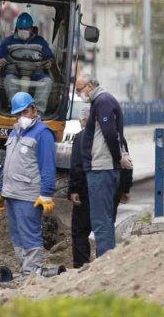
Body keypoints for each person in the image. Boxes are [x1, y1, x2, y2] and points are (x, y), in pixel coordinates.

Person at [0, 92, 57, 276]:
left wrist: (46, 193)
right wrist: (0, 190)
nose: (23, 117)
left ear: (34, 110)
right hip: (11, 194)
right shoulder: (15, 132)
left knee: (30, 235)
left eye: (26, 112)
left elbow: (48, 166)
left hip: (28, 196)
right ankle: (25, 270)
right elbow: (7, 164)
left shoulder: (43, 134)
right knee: (17, 237)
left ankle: (32, 273)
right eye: (18, 114)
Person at [75, 75, 132, 258]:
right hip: (103, 166)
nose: (78, 94)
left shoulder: (103, 101)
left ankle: (105, 262)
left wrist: (117, 158)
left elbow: (110, 133)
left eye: (79, 90)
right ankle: (109, 259)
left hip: (101, 167)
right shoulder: (101, 101)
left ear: (90, 86)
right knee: (105, 219)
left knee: (100, 221)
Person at [0, 12, 56, 112]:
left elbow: (50, 57)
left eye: (26, 29)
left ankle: (38, 111)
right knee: (9, 79)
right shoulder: (8, 41)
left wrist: (50, 62)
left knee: (47, 81)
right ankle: (15, 108)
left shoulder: (40, 41)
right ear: (17, 28)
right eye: (21, 29)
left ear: (32, 29)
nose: (23, 31)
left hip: (36, 73)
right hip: (15, 72)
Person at [67, 111, 91, 269]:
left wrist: (73, 189)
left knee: (80, 229)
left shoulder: (81, 137)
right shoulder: (114, 136)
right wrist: (124, 188)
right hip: (106, 188)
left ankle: (81, 264)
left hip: (84, 188)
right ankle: (107, 259)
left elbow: (76, 165)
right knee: (104, 226)